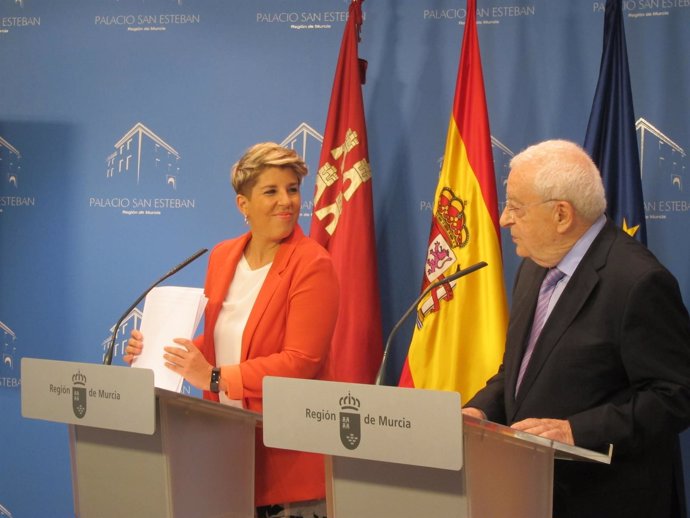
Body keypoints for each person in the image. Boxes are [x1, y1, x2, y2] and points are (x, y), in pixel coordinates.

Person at [463, 139, 690, 518]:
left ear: (562, 215)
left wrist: (576, 432)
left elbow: (676, 396)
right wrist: (480, 412)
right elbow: (520, 370)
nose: (503, 219)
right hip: (529, 491)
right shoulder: (534, 265)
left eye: (516, 207)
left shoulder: (637, 281)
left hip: (605, 499)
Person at [125, 142, 339, 518]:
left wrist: (213, 376)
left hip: (286, 456)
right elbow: (222, 338)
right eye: (271, 191)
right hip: (226, 449)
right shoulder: (224, 255)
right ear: (244, 205)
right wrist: (157, 350)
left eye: (292, 189)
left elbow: (301, 362)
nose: (286, 201)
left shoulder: (312, 264)